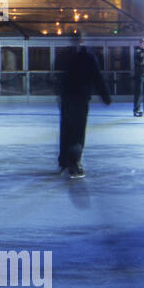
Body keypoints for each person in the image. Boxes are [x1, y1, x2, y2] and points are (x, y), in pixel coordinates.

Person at [57, 31, 112, 178]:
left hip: (67, 98)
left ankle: (64, 161)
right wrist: (105, 96)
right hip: (80, 98)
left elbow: (58, 76)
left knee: (66, 129)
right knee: (78, 131)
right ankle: (74, 163)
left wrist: (60, 94)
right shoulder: (87, 57)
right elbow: (97, 77)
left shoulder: (65, 56)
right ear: (82, 41)